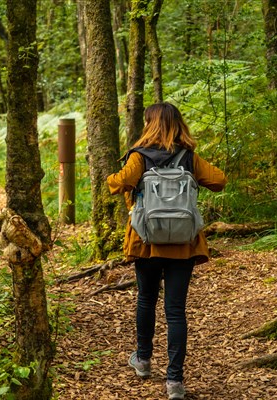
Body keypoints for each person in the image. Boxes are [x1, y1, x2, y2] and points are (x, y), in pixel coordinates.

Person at [107, 102, 227, 400]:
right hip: (183, 244)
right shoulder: (189, 157)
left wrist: (116, 178)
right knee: (176, 311)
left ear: (150, 124)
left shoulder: (139, 156)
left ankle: (144, 361)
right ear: (177, 123)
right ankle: (174, 382)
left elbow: (117, 183)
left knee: (146, 298)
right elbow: (219, 181)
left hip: (147, 241)